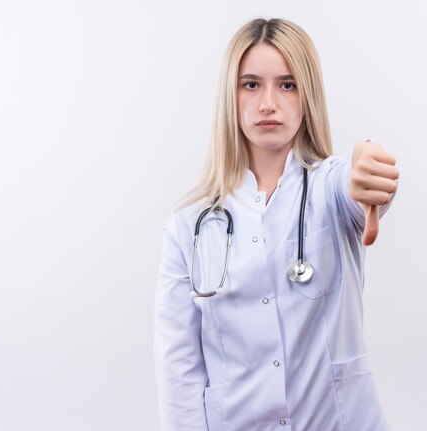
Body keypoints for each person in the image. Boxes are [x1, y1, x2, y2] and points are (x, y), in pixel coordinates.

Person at [154, 18, 399, 431]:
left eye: (287, 85)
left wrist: (371, 167)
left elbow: (360, 190)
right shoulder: (189, 225)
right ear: (230, 96)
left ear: (308, 96)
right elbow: (178, 368)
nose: (268, 102)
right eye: (251, 85)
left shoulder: (331, 187)